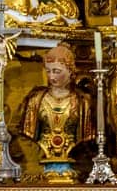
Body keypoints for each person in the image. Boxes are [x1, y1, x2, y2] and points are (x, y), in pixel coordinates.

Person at [20, 45, 92, 174]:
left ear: (70, 71)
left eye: (57, 71)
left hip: (73, 164)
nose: (51, 76)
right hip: (39, 164)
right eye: (48, 71)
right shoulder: (36, 99)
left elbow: (86, 140)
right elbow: (27, 136)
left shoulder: (82, 102)